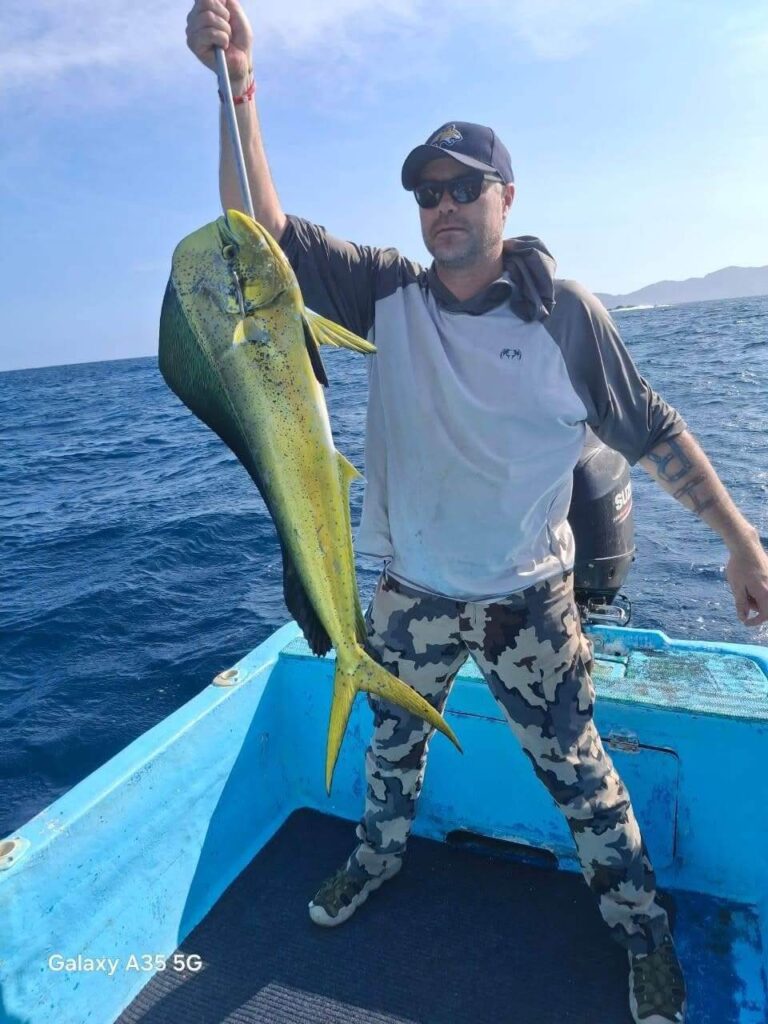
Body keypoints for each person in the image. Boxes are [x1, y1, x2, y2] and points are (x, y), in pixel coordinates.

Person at [186, 3, 768, 1022]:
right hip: (410, 591)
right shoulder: (387, 298)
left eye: (462, 187)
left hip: (529, 600)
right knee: (389, 750)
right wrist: (235, 83)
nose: (441, 206)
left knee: (582, 777)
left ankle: (643, 932)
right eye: (425, 192)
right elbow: (259, 239)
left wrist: (741, 542)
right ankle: (375, 858)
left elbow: (657, 433)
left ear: (505, 195)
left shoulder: (565, 315)